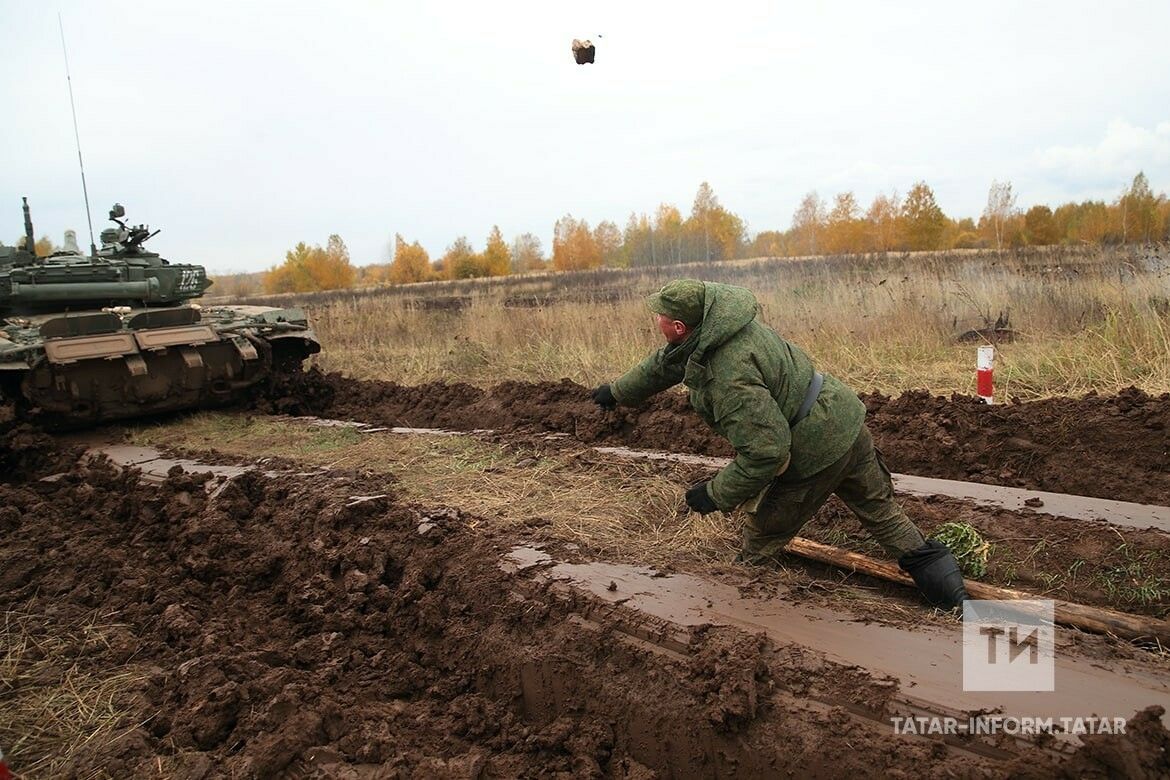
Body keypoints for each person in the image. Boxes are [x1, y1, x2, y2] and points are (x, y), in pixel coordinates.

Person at [591, 279, 968, 609]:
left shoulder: (728, 375)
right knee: (882, 514)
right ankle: (954, 598)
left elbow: (768, 452)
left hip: (815, 446)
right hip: (844, 419)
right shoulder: (723, 328)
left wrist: (714, 494)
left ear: (677, 326)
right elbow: (666, 365)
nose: (654, 320)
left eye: (659, 316)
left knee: (761, 537)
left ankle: (743, 617)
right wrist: (617, 392)